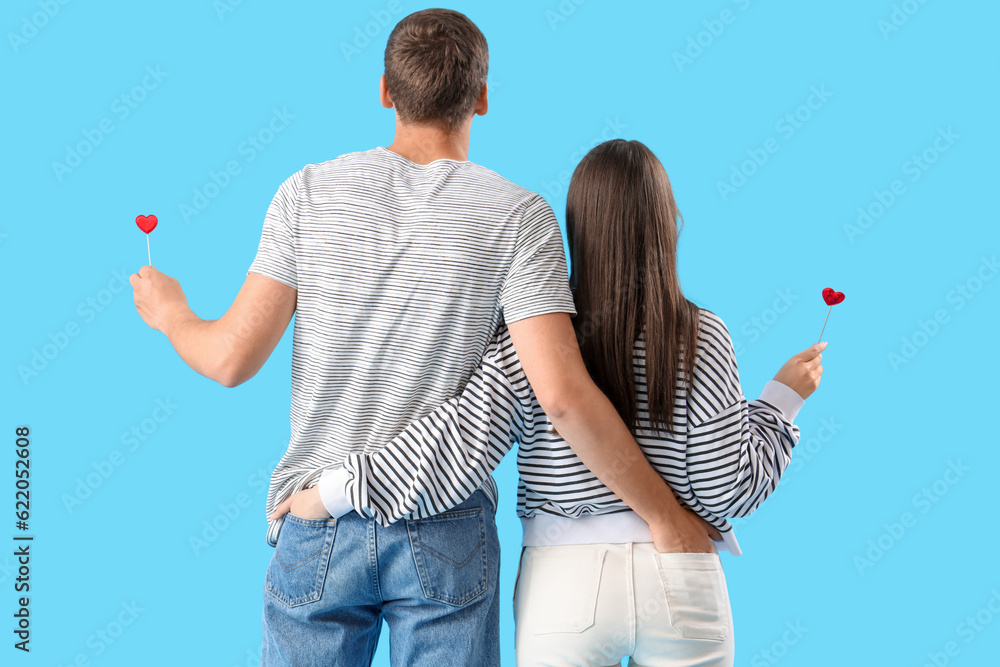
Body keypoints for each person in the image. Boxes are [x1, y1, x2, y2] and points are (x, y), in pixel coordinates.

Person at [128, 10, 717, 666]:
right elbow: (561, 397)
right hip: (446, 527)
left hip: (317, 514)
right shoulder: (519, 218)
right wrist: (664, 515)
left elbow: (231, 358)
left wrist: (171, 311)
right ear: (483, 97)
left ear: (385, 91)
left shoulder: (306, 194)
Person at [275, 139, 826, 665]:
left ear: (577, 231)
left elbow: (458, 443)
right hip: (682, 579)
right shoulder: (702, 337)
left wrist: (333, 490)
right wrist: (780, 404)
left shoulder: (538, 341)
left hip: (564, 586)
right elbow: (726, 489)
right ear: (668, 223)